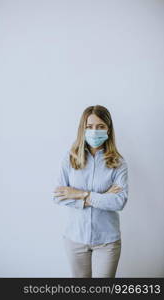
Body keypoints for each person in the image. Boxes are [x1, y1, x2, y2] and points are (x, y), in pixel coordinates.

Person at [52, 105, 129, 278]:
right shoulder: (69, 158)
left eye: (101, 126)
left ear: (108, 129)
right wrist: (102, 197)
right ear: (83, 129)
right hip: (75, 238)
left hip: (107, 241)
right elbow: (58, 196)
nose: (95, 131)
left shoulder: (118, 163)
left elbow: (119, 201)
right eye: (90, 126)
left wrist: (81, 194)